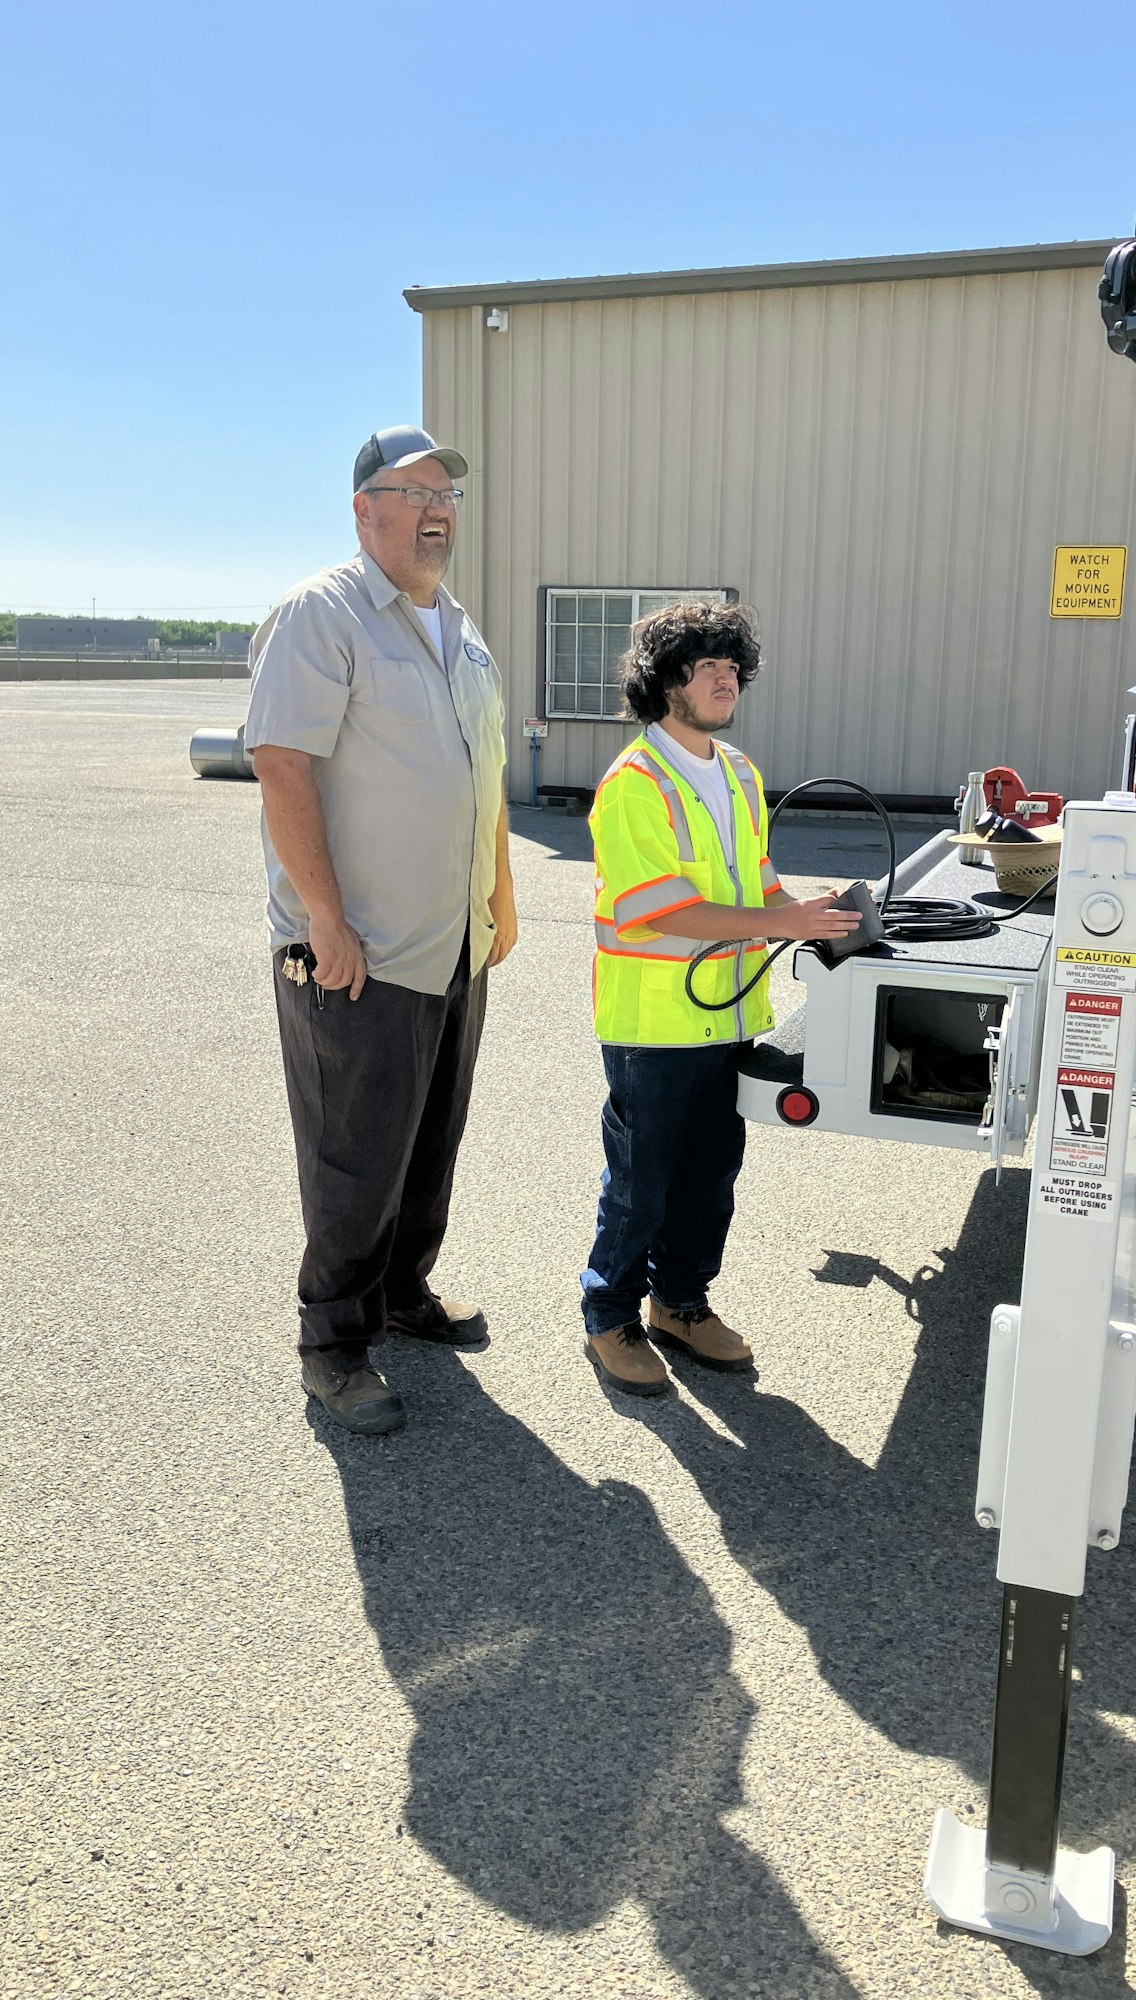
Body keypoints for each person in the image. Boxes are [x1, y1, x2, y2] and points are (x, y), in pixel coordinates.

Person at [245, 425, 515, 1437]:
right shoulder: (324, 614)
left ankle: (404, 1289)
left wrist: (499, 900)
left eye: (448, 489)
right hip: (357, 948)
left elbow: (480, 778)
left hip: (450, 940)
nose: (438, 505)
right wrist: (324, 917)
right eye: (414, 489)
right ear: (364, 509)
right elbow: (281, 763)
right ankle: (334, 1345)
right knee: (354, 1154)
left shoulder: (462, 632)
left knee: (427, 1139)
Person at [580, 600, 861, 1396]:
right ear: (664, 682)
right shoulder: (634, 782)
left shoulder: (737, 771)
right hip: (655, 1022)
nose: (724, 677)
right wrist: (782, 919)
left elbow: (754, 882)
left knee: (710, 1177)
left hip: (731, 1010)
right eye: (705, 666)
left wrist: (814, 915)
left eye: (732, 665)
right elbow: (662, 910)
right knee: (644, 1179)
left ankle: (681, 1304)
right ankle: (610, 1316)